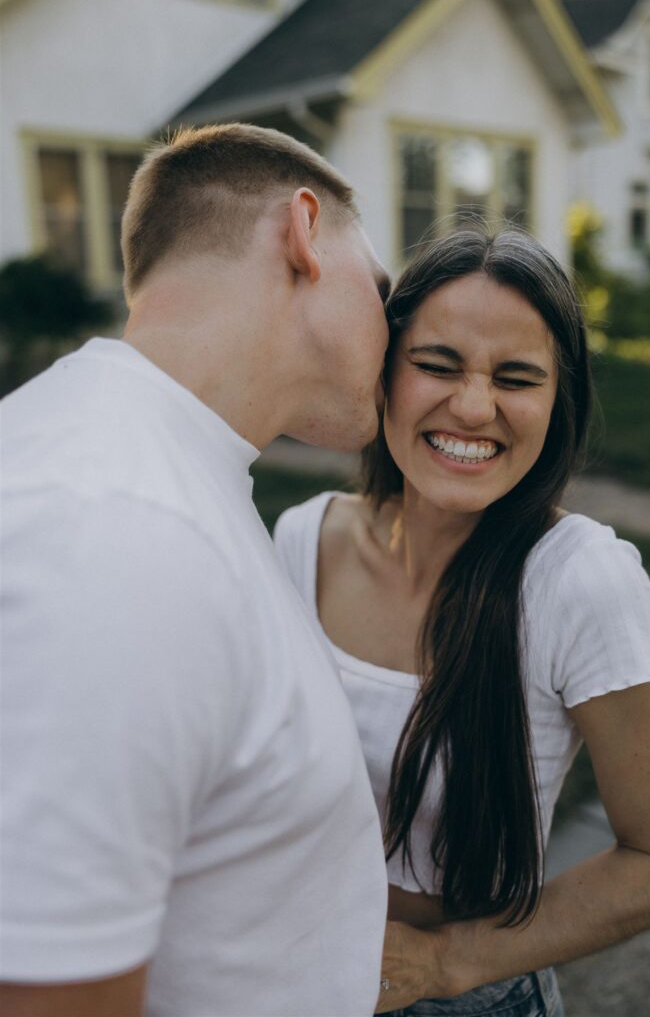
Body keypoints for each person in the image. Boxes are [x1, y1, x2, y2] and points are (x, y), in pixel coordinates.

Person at [0, 123, 393, 1017]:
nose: (395, 332)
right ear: (303, 233)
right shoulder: (113, 526)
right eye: (380, 288)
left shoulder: (157, 474)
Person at [274, 225, 650, 1017]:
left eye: (516, 377)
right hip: (283, 976)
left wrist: (450, 960)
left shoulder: (581, 582)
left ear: (556, 403)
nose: (471, 406)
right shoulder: (300, 537)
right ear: (382, 369)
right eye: (436, 364)